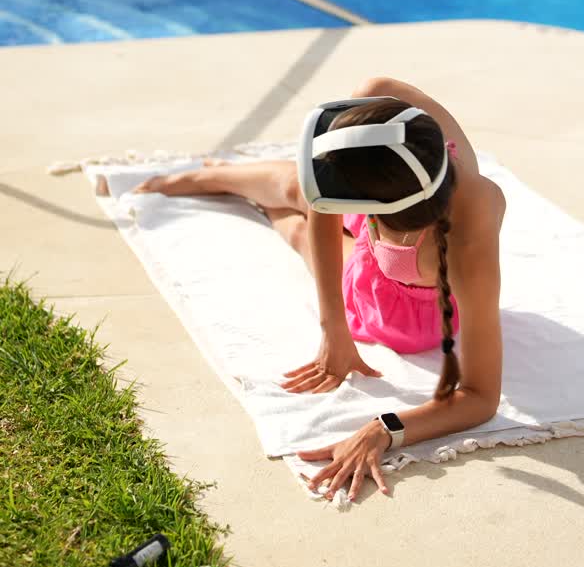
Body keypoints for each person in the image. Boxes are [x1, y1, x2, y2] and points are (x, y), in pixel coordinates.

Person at [134, 76, 505, 502]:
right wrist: (334, 330)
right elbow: (320, 197)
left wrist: (383, 429)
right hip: (399, 224)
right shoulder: (400, 117)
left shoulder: (464, 245)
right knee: (298, 186)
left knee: (293, 226)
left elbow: (480, 397)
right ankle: (210, 178)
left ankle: (257, 201)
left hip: (401, 303)